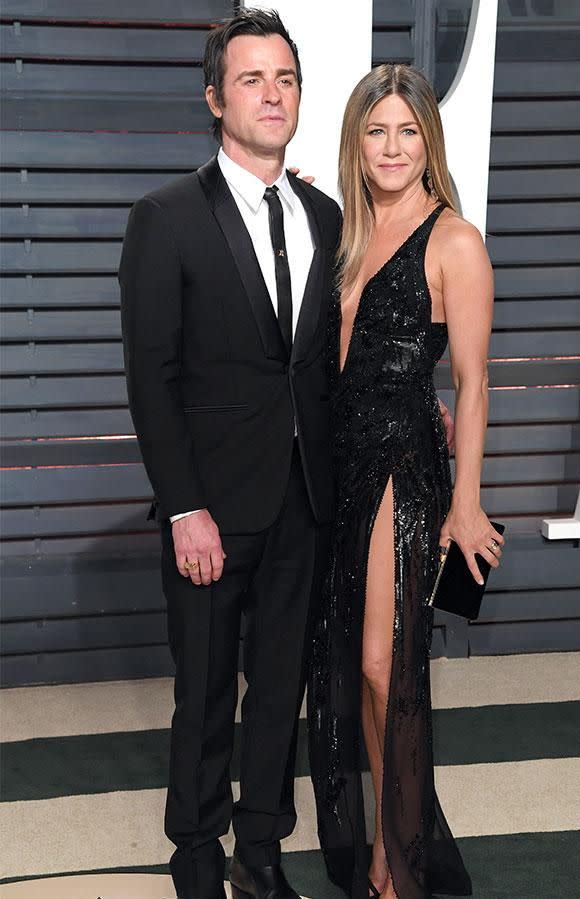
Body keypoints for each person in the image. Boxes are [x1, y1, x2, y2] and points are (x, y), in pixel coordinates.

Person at [118, 10, 343, 899]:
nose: (272, 93)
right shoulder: (165, 218)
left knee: (278, 688)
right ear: (216, 98)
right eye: (251, 79)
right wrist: (183, 506)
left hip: (302, 497)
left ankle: (261, 848)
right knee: (206, 692)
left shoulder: (325, 214)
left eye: (284, 78)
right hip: (208, 505)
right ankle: (196, 853)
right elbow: (151, 376)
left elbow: (320, 361)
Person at [308, 64, 506, 899]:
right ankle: (386, 841)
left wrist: (465, 500)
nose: (391, 147)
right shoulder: (342, 232)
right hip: (334, 467)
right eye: (376, 130)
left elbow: (474, 380)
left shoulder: (453, 239)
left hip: (401, 466)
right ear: (358, 141)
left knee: (386, 663)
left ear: (430, 140)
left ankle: (402, 860)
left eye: (407, 130)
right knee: (349, 667)